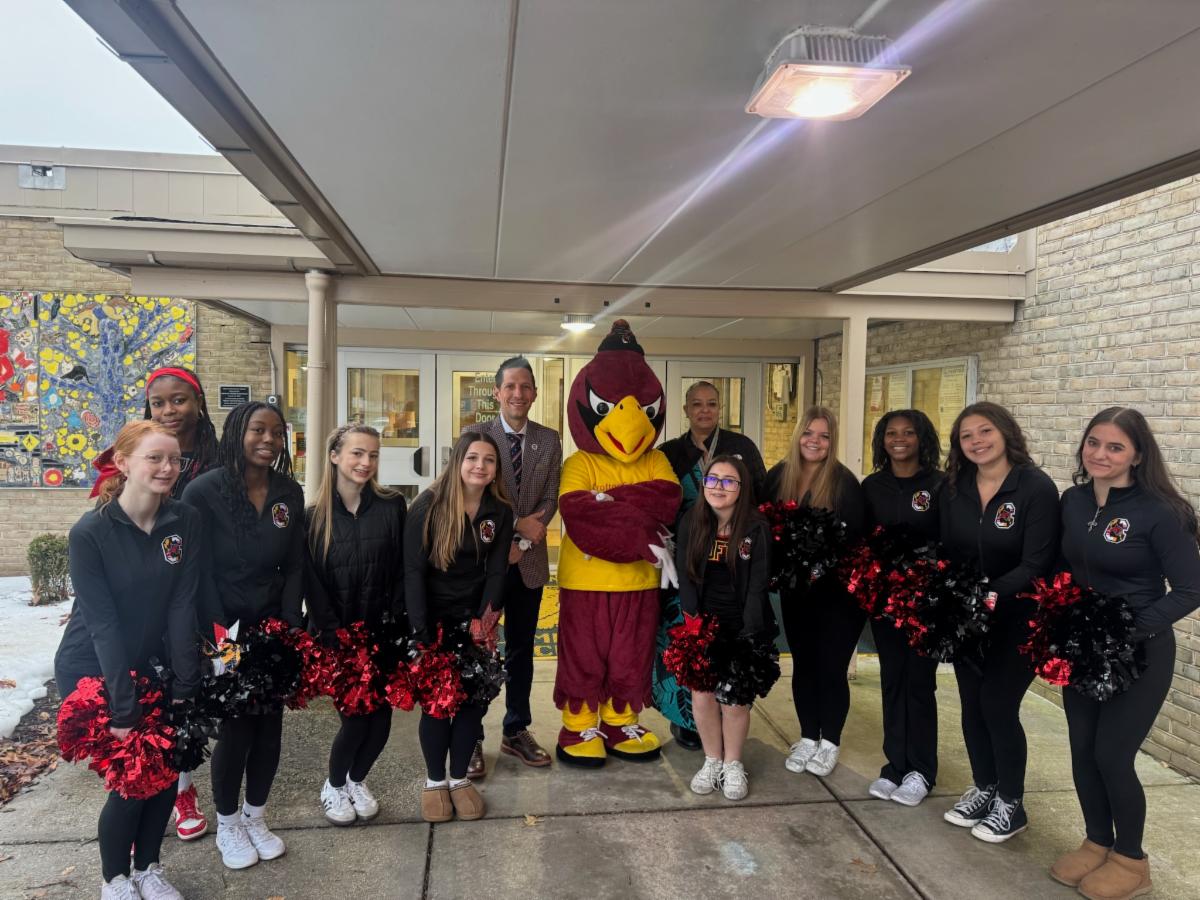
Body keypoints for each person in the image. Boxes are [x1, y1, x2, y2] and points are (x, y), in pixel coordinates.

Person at [1049, 408, 1200, 898]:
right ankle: (1097, 842)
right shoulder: (1072, 500)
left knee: (1112, 756)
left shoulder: (1162, 511)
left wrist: (1127, 630)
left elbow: (1190, 589)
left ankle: (1132, 861)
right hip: (1084, 647)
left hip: (1141, 652)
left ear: (1137, 455)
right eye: (1093, 442)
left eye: (1115, 447)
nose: (1100, 454)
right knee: (1082, 751)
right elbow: (1063, 567)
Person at [54, 421, 202, 900]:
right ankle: (115, 879)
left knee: (166, 772)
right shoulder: (91, 533)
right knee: (132, 780)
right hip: (95, 668)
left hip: (152, 664)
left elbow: (182, 603)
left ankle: (148, 869)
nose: (167, 467)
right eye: (154, 458)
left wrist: (185, 684)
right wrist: (122, 708)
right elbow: (102, 625)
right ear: (123, 463)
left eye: (174, 459)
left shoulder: (183, 520)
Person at [182, 401, 305, 870]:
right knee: (236, 729)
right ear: (237, 432)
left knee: (269, 726)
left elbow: (294, 564)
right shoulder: (203, 491)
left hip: (272, 628)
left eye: (276, 432)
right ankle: (228, 823)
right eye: (258, 430)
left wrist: (290, 625)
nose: (268, 440)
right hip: (224, 630)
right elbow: (199, 572)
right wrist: (222, 641)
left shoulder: (288, 492)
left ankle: (256, 817)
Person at [939, 401, 1059, 843]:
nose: (977, 441)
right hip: (969, 619)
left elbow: (1037, 562)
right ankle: (984, 787)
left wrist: (988, 594)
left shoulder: (1035, 487)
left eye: (985, 431)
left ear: (1006, 432)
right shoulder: (955, 487)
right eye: (966, 436)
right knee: (972, 704)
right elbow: (947, 549)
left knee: (997, 704)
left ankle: (1011, 802)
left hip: (1019, 617)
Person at [404, 432, 513, 822]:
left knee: (472, 703)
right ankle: (435, 781)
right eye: (472, 458)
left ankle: (458, 778)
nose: (480, 466)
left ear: (496, 469)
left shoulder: (500, 511)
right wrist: (421, 633)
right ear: (457, 462)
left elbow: (498, 570)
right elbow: (413, 573)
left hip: (474, 623)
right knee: (438, 705)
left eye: (489, 460)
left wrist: (485, 619)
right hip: (433, 621)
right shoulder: (428, 506)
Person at [461, 356, 562, 776]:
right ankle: (470, 736)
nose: (518, 394)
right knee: (477, 648)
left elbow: (550, 497)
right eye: (510, 387)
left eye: (525, 386)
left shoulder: (549, 440)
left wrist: (522, 542)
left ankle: (515, 729)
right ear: (497, 393)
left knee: (521, 650)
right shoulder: (476, 436)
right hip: (484, 563)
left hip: (529, 564)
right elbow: (471, 491)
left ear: (534, 393)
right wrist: (512, 532)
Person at [656, 381, 767, 751]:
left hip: (733, 561)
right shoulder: (670, 452)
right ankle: (688, 722)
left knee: (730, 646)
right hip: (684, 559)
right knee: (687, 643)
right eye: (697, 404)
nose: (704, 410)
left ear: (720, 408)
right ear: (686, 410)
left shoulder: (742, 447)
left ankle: (728, 724)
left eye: (712, 404)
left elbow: (761, 497)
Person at [305, 424, 407, 825]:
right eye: (357, 453)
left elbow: (401, 569)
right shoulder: (313, 518)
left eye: (373, 455)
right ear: (335, 456)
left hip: (382, 634)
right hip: (340, 639)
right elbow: (312, 585)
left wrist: (397, 623)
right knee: (355, 718)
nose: (366, 462)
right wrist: (333, 636)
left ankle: (355, 779)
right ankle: (333, 785)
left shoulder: (392, 506)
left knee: (381, 719)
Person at [765, 406, 865, 778]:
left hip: (839, 598)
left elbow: (855, 542)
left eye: (824, 436)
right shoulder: (779, 476)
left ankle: (830, 742)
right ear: (798, 436)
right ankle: (808, 736)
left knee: (831, 668)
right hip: (798, 595)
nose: (815, 441)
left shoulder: (844, 483)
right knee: (804, 665)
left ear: (832, 441)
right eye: (809, 433)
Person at [144, 365, 219, 840]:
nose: (169, 410)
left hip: (208, 594)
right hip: (154, 596)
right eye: (158, 402)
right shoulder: (139, 454)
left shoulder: (219, 459)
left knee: (200, 693)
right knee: (163, 694)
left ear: (198, 402)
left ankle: (196, 780)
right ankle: (174, 790)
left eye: (179, 400)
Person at [676, 455, 775, 801]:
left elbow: (758, 587)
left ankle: (733, 763)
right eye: (712, 479)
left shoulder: (756, 528)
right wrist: (693, 625)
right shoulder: (692, 521)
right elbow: (685, 577)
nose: (719, 487)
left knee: (734, 701)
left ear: (741, 488)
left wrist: (748, 637)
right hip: (703, 625)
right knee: (702, 696)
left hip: (741, 627)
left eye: (728, 481)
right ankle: (712, 760)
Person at [861, 410, 943, 808]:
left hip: (926, 603)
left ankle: (921, 771)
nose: (900, 439)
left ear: (922, 439)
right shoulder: (872, 486)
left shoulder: (941, 485)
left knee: (919, 683)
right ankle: (895, 765)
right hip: (885, 602)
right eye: (891, 433)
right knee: (892, 679)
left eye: (909, 433)